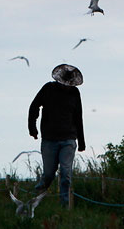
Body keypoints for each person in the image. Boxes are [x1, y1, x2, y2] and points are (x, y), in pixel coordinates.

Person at [28, 63, 86, 206]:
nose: (67, 85)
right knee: (48, 174)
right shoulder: (48, 88)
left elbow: (78, 117)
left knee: (66, 174)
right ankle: (36, 200)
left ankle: (64, 206)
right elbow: (34, 107)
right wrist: (33, 129)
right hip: (49, 139)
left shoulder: (75, 93)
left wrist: (82, 142)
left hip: (69, 139)